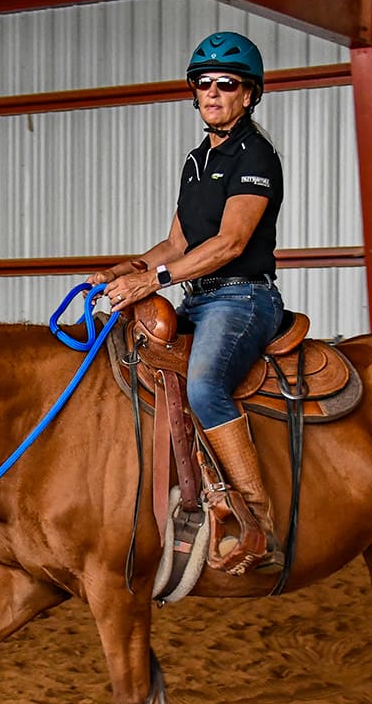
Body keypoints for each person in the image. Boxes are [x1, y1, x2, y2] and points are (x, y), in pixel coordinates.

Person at [88, 31, 285, 574]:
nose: (214, 93)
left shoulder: (257, 156)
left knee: (203, 385)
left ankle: (257, 522)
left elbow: (230, 243)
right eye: (204, 84)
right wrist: (127, 269)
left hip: (242, 298)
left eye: (227, 84)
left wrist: (154, 282)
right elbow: (176, 244)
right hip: (198, 294)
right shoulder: (198, 160)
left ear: (249, 95)